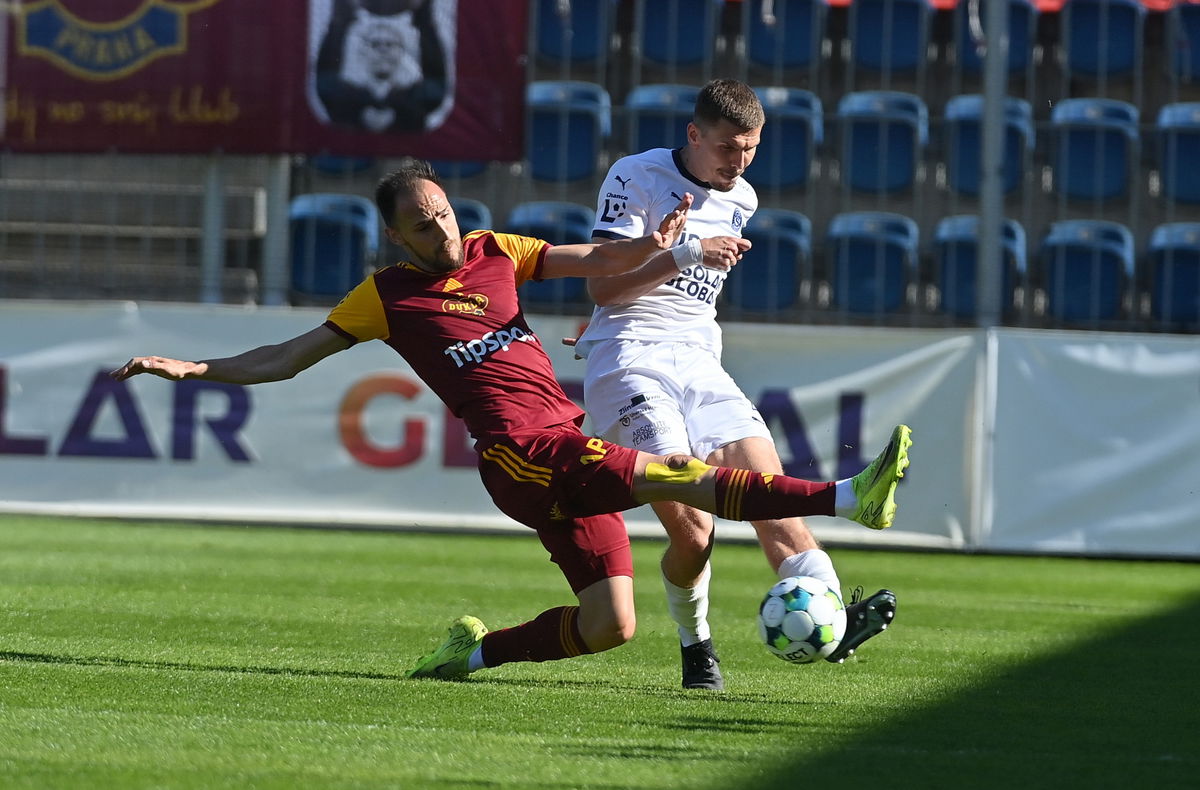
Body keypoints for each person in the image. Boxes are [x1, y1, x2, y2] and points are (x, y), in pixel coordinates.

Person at [110, 159, 911, 683]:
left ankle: (470, 655)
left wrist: (663, 251)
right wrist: (198, 370)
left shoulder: (495, 249)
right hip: (522, 454)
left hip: (562, 439)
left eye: (443, 213)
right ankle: (848, 497)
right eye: (422, 224)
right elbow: (289, 355)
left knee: (610, 626)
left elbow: (597, 262)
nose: (442, 230)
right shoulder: (384, 296)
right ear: (394, 235)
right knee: (681, 477)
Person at [575, 79, 898, 690]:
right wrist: (686, 253)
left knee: (774, 502)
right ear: (694, 134)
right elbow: (602, 288)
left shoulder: (742, 197)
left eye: (751, 148)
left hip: (700, 362)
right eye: (728, 147)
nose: (740, 161)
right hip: (630, 360)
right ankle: (696, 645)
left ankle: (833, 624)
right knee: (695, 531)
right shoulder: (635, 175)